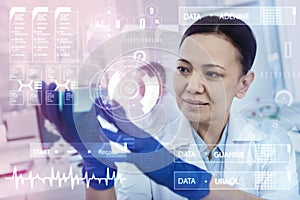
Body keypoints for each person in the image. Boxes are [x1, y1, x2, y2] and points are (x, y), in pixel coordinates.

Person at [39, 16, 298, 200]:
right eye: (184, 69)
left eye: (213, 74)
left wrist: (185, 178)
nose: (192, 87)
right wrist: (97, 174)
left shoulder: (272, 146)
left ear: (243, 84)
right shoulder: (146, 145)